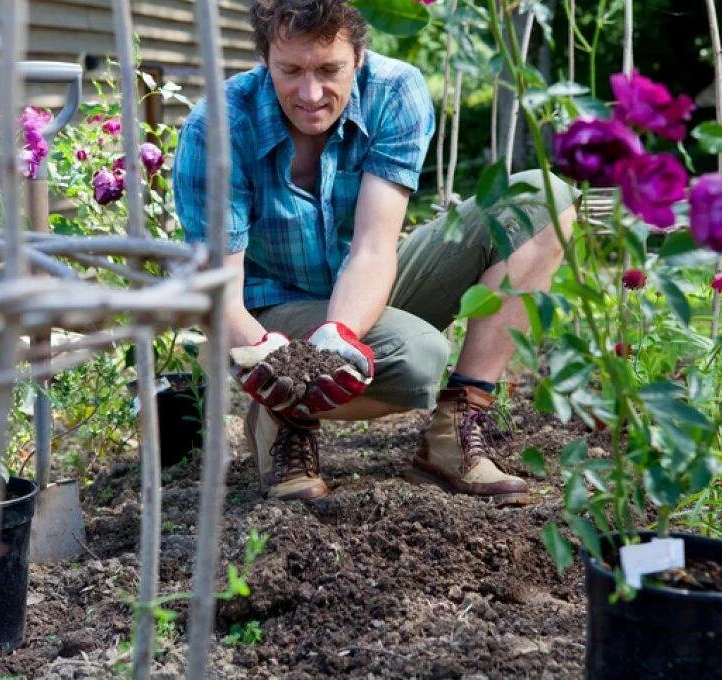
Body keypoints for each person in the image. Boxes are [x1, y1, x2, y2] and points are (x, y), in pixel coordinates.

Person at [174, 0, 577, 505]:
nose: (311, 93)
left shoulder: (395, 91)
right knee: (416, 358)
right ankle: (283, 415)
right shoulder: (218, 127)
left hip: (364, 283)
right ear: (264, 60)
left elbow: (372, 246)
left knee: (542, 200)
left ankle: (455, 433)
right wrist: (274, 364)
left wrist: (339, 335)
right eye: (290, 71)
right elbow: (221, 293)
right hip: (273, 313)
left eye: (329, 70)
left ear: (359, 56)